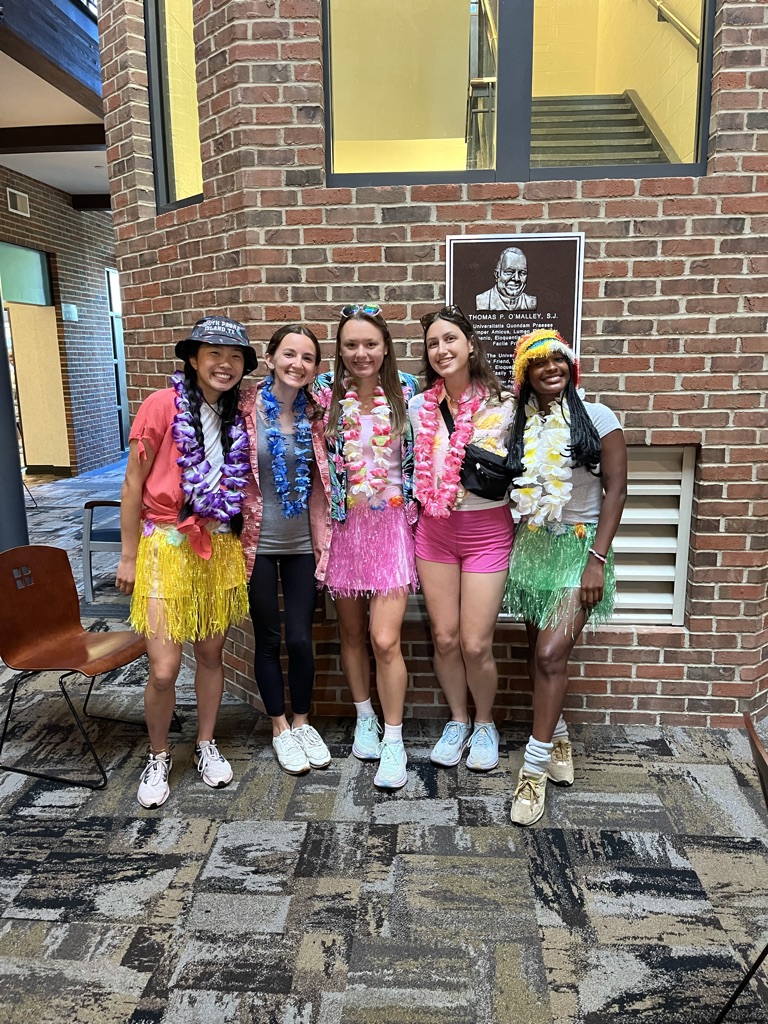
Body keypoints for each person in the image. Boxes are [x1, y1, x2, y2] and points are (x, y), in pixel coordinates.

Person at [116, 314, 255, 809]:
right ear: (193, 359)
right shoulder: (160, 405)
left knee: (212, 654)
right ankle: (158, 755)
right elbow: (132, 484)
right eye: (214, 354)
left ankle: (205, 743)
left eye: (235, 356)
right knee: (163, 668)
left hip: (218, 547)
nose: (225, 364)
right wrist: (129, 555)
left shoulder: (239, 414)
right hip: (165, 547)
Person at [504, 328, 627, 826]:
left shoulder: (597, 417)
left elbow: (616, 491)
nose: (551, 368)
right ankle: (555, 738)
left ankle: (532, 771)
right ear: (526, 375)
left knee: (553, 653)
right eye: (539, 363)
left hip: (581, 549)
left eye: (559, 360)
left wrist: (597, 559)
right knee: (538, 654)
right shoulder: (521, 423)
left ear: (570, 367)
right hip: (533, 547)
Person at [313, 304, 419, 790]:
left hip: (392, 527)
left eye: (370, 344)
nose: (361, 353)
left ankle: (394, 739)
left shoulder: (409, 396)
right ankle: (364, 717)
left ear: (385, 348)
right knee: (351, 635)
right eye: (351, 344)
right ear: (339, 349)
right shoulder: (323, 398)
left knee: (384, 639)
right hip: (344, 528)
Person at [410, 305, 515, 773]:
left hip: (487, 532)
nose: (442, 350)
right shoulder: (419, 407)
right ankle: (457, 720)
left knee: (475, 643)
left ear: (470, 344)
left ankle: (485, 722)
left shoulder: (505, 404)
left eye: (450, 339)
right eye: (433, 343)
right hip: (434, 532)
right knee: (445, 636)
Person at [239, 324, 333, 775]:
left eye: (308, 358)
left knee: (300, 638)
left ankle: (302, 721)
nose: (298, 364)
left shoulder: (321, 413)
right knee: (269, 636)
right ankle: (279, 726)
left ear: (316, 367)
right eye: (289, 354)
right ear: (272, 357)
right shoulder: (243, 410)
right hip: (255, 543)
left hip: (303, 544)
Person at [475, 247, 537, 311]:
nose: (516, 278)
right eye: (509, 272)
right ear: (497, 274)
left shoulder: (532, 303)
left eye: (522, 273)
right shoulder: (481, 301)